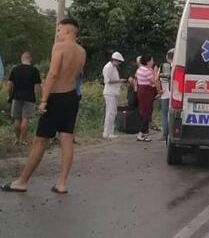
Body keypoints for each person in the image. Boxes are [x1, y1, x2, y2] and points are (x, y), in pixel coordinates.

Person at [2, 18, 86, 194]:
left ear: (68, 31)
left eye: (59, 30)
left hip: (55, 97)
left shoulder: (59, 47)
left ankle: (22, 181)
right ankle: (61, 183)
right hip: (71, 97)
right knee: (66, 138)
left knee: (40, 140)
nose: (58, 34)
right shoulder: (82, 52)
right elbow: (76, 75)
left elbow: (53, 73)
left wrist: (43, 100)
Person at [7, 52, 42, 146]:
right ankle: (23, 140)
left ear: (22, 58)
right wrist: (40, 98)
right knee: (25, 119)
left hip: (16, 96)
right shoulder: (34, 70)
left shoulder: (15, 69)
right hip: (29, 97)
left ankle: (17, 139)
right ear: (30, 59)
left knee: (17, 119)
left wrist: (9, 95)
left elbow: (9, 84)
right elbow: (38, 86)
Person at [102, 52, 125, 140]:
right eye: (118, 61)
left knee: (113, 112)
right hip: (109, 93)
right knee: (110, 113)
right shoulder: (107, 67)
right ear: (115, 60)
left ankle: (110, 132)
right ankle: (106, 133)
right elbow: (107, 81)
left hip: (113, 92)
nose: (119, 63)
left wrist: (119, 83)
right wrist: (119, 81)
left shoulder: (114, 67)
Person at [136, 55, 157, 142]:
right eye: (152, 60)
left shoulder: (139, 69)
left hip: (141, 92)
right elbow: (154, 81)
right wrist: (155, 72)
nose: (153, 62)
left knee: (144, 112)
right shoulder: (147, 71)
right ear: (148, 62)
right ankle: (141, 133)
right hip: (146, 93)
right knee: (147, 113)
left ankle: (145, 134)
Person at [157, 49, 174, 142]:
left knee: (164, 115)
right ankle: (172, 134)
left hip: (164, 94)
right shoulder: (177, 66)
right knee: (173, 115)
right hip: (174, 95)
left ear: (167, 57)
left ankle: (164, 135)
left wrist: (159, 90)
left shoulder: (162, 67)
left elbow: (156, 79)